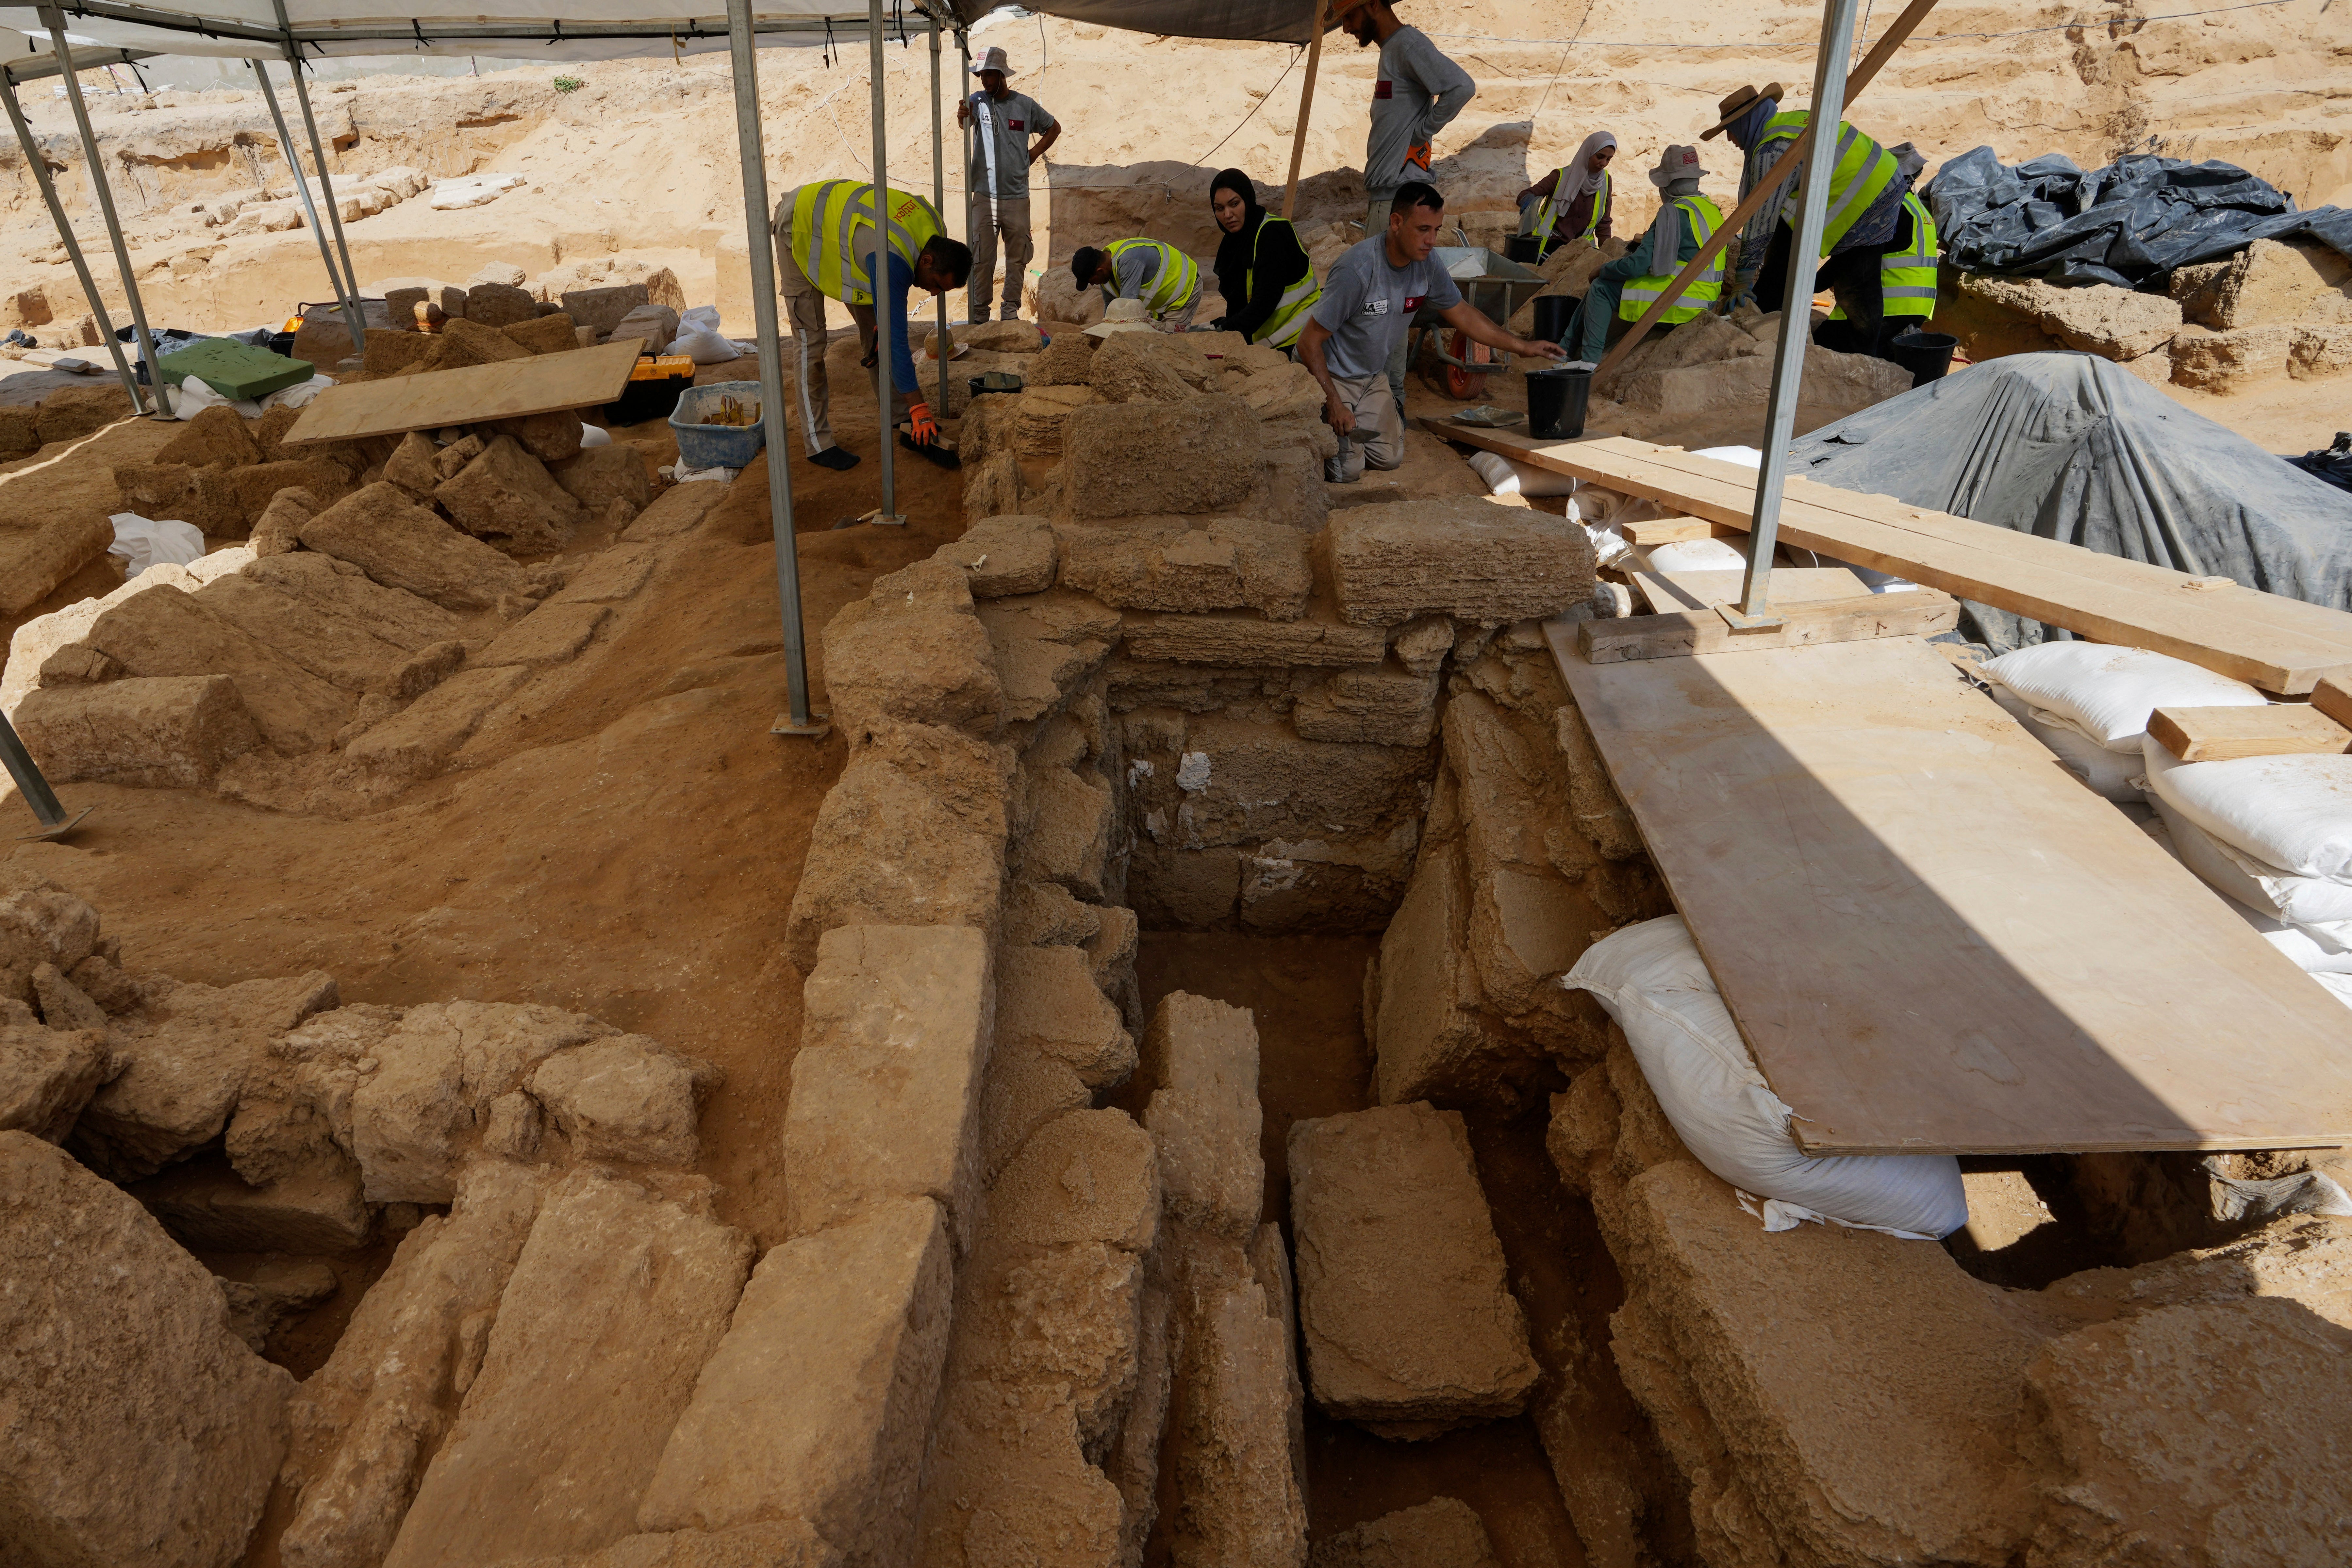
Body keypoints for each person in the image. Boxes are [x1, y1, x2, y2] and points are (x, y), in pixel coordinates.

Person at [1299, 180, 1563, 483]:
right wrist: (1332, 401)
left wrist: (1521, 347)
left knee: (1389, 459)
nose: (1431, 240)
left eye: (1437, 230)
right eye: (1423, 229)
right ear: (1396, 222)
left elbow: (1464, 314)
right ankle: (1324, 424)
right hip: (1334, 375)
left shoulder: (1427, 264)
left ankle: (1359, 429)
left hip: (1372, 377)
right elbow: (1308, 343)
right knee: (1348, 472)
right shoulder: (1357, 271)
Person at [771, 179, 973, 471]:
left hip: (849, 237)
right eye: (937, 285)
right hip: (801, 229)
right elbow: (897, 342)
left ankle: (900, 417)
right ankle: (818, 444)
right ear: (927, 260)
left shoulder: (934, 229)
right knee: (811, 342)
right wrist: (920, 405)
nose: (933, 294)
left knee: (877, 331)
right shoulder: (893, 261)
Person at [1332, 0, 1474, 408]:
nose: (1345, 28)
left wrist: (1423, 133)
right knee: (1381, 310)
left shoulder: (1407, 44)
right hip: (1387, 198)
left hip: (1399, 198)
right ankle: (1383, 404)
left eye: (1349, 16)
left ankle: (1388, 406)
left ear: (1374, 5)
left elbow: (1460, 86)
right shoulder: (1392, 52)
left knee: (1383, 312)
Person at [1704, 83, 1909, 354]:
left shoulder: (1772, 149)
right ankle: (1772, 309)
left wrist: (1743, 278)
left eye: (1731, 129)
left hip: (1868, 195)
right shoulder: (1788, 123)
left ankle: (1862, 358)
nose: (1730, 138)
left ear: (1746, 122)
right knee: (1793, 251)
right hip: (1881, 180)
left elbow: (1763, 214)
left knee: (1856, 283)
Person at [1569, 146, 1725, 365]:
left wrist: (1603, 269)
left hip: (1682, 302)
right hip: (1706, 298)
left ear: (1666, 185)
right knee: (1608, 282)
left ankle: (1588, 363)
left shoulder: (1674, 212)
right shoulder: (1710, 208)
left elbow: (1638, 266)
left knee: (1602, 287)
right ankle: (1565, 348)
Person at [956, 45, 1059, 324]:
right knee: (982, 258)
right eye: (982, 76)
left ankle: (1010, 311)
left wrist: (1033, 154)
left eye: (990, 75)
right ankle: (979, 314)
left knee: (1017, 258)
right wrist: (962, 115)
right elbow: (965, 120)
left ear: (1003, 75)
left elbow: (1054, 128)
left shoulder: (1024, 105)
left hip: (1017, 197)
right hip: (985, 196)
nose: (986, 81)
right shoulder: (976, 101)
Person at [1208, 169, 1320, 351]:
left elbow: (1264, 303)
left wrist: (1225, 332)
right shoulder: (1234, 242)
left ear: (1248, 199)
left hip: (1301, 338)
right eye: (1220, 209)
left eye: (1234, 204)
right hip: (1268, 342)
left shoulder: (1272, 234)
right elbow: (1237, 302)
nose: (1227, 215)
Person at [1819, 189, 1939, 356]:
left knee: (1818, 349)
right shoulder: (1917, 207)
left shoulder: (1888, 206)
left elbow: (1852, 260)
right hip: (1916, 308)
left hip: (1885, 308)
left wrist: (1809, 283)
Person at [1517, 131, 1616, 258]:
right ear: (1588, 153)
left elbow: (1604, 223)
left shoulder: (1606, 182)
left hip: (1582, 251)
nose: (1604, 163)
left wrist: (1607, 253)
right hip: (1549, 249)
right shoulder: (1560, 177)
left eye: (1609, 159)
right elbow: (1528, 194)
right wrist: (1528, 201)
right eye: (1600, 157)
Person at [1068, 239, 1202, 331]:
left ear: (1100, 271)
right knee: (1157, 336)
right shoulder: (1106, 273)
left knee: (1172, 344)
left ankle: (1214, 331)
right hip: (1162, 302)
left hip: (1185, 289)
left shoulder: (1129, 262)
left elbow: (1127, 312)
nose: (1092, 284)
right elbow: (1111, 313)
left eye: (1091, 281)